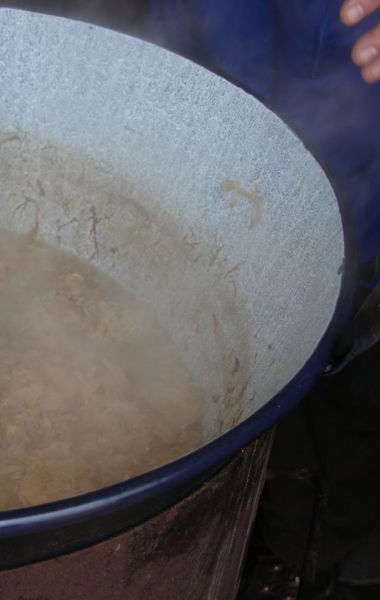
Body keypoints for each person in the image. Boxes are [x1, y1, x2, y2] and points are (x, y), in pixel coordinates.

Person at [142, 2, 380, 598]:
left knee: (351, 425)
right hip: (206, 116)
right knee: (256, 412)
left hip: (364, 188)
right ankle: (277, 539)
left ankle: (330, 568)